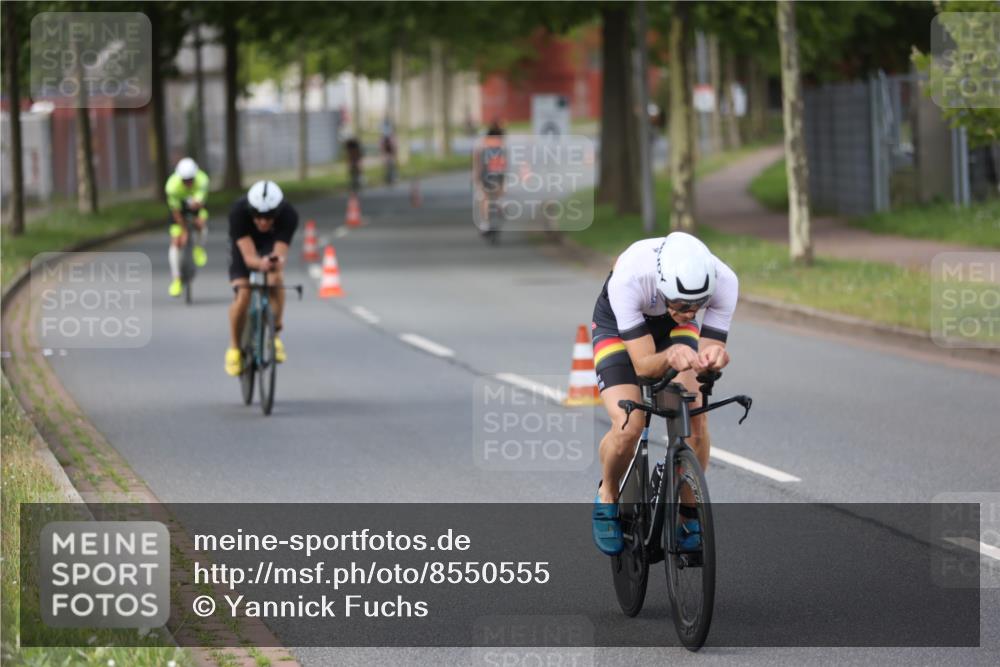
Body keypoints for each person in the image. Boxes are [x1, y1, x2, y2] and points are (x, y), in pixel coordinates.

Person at [590, 232, 738, 555]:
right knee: (628, 425)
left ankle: (688, 516)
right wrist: (669, 356)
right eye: (683, 305)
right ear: (662, 287)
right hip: (617, 327)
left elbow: (708, 354)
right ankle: (608, 494)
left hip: (671, 331)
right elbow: (643, 366)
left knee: (695, 417)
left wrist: (713, 360)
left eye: (699, 305)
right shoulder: (630, 278)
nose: (692, 312)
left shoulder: (725, 281)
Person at [224, 181, 299, 377]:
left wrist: (274, 262)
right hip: (244, 246)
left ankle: (275, 334)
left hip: (270, 243)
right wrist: (259, 263)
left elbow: (279, 254)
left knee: (276, 280)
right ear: (250, 210)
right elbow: (249, 258)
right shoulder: (238, 213)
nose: (263, 221)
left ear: (278, 212)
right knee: (243, 294)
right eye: (257, 215)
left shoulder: (289, 215)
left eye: (269, 216)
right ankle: (234, 348)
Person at [164, 157, 209, 297]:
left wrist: (197, 216)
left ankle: (198, 248)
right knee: (176, 242)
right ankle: (176, 279)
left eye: (191, 180)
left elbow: (201, 205)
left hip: (196, 205)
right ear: (179, 178)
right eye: (185, 180)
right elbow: (175, 211)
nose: (188, 183)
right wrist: (183, 230)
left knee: (201, 224)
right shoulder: (171, 186)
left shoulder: (203, 180)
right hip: (179, 209)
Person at [474, 121, 507, 232]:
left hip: (486, 173)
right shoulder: (502, 144)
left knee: (484, 198)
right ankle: (500, 203)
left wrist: (476, 176)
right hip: (499, 173)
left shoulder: (482, 143)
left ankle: (485, 223)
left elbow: (478, 161)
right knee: (499, 193)